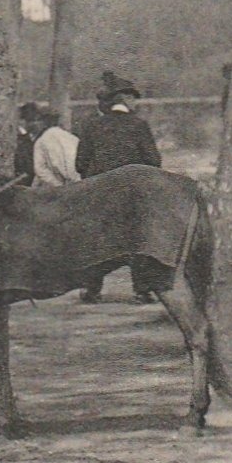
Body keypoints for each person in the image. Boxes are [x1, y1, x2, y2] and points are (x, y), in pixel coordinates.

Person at [75, 73, 161, 302]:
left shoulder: (91, 125)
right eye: (133, 99)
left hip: (99, 191)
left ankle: (91, 289)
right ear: (124, 99)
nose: (135, 103)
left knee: (98, 239)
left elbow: (80, 163)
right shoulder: (139, 125)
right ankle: (142, 290)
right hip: (132, 192)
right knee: (137, 238)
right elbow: (154, 161)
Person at [31, 107, 80, 187]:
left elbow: (40, 170)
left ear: (43, 122)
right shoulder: (71, 137)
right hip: (76, 183)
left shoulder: (41, 141)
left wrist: (57, 185)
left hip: (54, 187)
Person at [14, 102, 40, 181]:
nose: (33, 124)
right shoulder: (20, 138)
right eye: (29, 121)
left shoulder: (39, 137)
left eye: (35, 120)